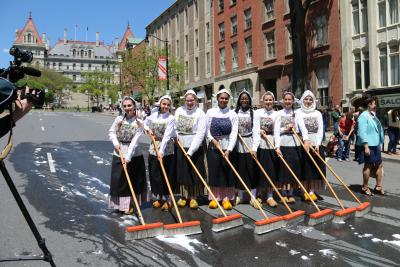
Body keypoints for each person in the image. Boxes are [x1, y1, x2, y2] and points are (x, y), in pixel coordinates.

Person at [108, 97, 146, 214]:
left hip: (134, 155)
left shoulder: (139, 122)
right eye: (125, 106)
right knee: (120, 181)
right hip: (119, 153)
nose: (127, 108)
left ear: (134, 106)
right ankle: (121, 205)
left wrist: (128, 156)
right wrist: (115, 143)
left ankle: (131, 204)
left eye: (129, 105)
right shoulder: (119, 119)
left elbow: (135, 141)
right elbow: (111, 132)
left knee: (133, 180)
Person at [274, 91, 309, 204]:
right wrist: (277, 146)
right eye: (286, 99)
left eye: (290, 99)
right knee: (284, 168)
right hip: (283, 143)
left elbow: (302, 128)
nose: (288, 101)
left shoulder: (297, 113)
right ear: (283, 101)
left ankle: (291, 192)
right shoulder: (279, 113)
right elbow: (276, 131)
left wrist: (306, 140)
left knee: (294, 168)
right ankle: (284, 193)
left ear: (293, 101)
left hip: (294, 143)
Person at [206, 88, 238, 210]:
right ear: (218, 98)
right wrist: (213, 140)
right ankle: (215, 197)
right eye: (221, 98)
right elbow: (206, 130)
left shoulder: (232, 114)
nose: (223, 100)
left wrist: (229, 149)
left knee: (227, 172)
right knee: (215, 171)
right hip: (214, 145)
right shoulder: (210, 112)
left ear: (228, 100)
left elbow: (234, 132)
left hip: (227, 146)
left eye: (226, 98)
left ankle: (226, 198)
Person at [174, 90, 206, 209]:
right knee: (183, 172)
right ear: (184, 100)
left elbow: (201, 133)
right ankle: (183, 196)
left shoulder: (200, 113)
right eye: (187, 100)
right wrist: (176, 137)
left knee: (193, 172)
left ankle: (193, 197)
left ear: (196, 100)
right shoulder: (179, 110)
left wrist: (191, 151)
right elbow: (175, 127)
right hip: (181, 146)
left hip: (194, 147)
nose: (189, 102)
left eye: (192, 100)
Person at [144, 95, 176, 211]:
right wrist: (148, 130)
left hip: (166, 148)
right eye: (164, 104)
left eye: (168, 104)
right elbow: (145, 124)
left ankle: (168, 200)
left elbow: (167, 136)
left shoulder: (171, 118)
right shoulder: (153, 115)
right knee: (155, 174)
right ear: (160, 104)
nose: (166, 106)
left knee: (166, 174)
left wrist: (161, 152)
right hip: (154, 147)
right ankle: (160, 198)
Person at [232, 89, 259, 209]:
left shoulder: (254, 114)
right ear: (239, 100)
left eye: (246, 99)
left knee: (251, 169)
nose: (244, 100)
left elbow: (256, 132)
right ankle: (240, 195)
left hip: (249, 142)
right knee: (239, 169)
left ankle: (253, 196)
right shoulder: (234, 113)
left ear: (249, 100)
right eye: (242, 99)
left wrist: (254, 148)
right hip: (237, 143)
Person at [252, 91, 279, 207]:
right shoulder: (257, 112)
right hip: (260, 144)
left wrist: (277, 147)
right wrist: (259, 131)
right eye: (266, 100)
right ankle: (258, 195)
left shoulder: (276, 114)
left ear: (273, 101)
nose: (268, 102)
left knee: (270, 171)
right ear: (263, 101)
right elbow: (254, 127)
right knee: (258, 171)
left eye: (270, 100)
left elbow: (277, 131)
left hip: (271, 144)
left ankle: (269, 196)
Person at [297, 90, 325, 201]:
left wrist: (318, 144)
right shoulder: (299, 112)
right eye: (306, 99)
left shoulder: (317, 113)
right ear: (302, 100)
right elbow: (298, 127)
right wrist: (305, 141)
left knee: (314, 169)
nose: (308, 101)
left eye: (310, 99)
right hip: (303, 143)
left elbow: (320, 130)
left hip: (315, 142)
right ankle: (304, 190)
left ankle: (312, 190)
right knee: (305, 168)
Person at [357, 94, 385, 196]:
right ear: (369, 104)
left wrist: (380, 142)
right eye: (374, 103)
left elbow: (378, 129)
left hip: (376, 144)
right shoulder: (363, 116)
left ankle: (378, 186)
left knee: (379, 165)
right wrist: (366, 146)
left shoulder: (372, 114)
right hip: (368, 145)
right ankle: (364, 187)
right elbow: (362, 132)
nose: (375, 105)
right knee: (368, 166)